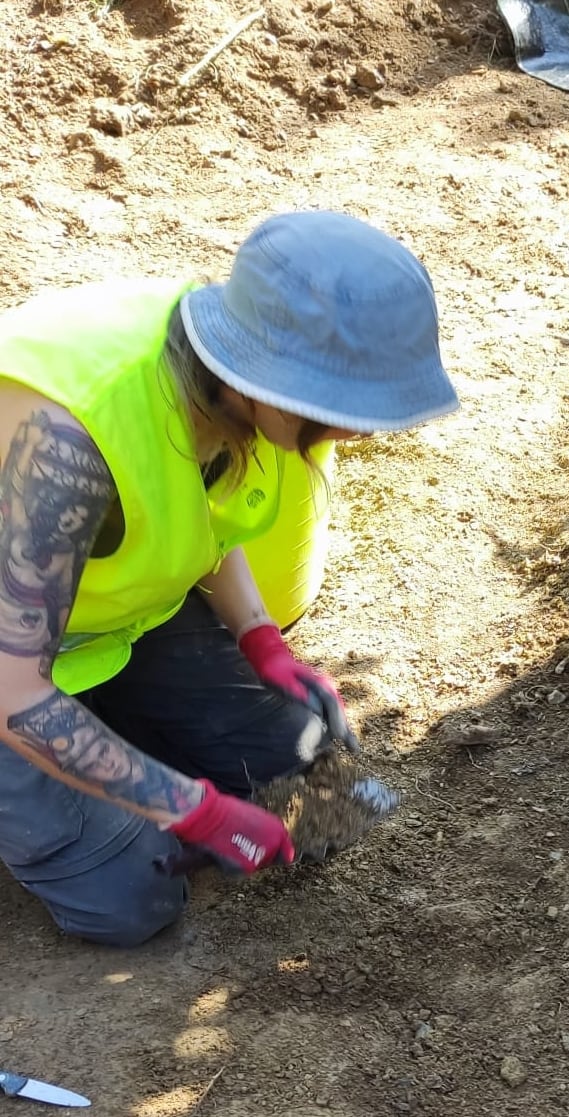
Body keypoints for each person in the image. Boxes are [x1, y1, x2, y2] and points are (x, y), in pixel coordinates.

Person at [0, 211, 459, 946]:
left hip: (103, 622)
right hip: (15, 663)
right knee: (134, 895)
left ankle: (103, 743)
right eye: (347, 412)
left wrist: (261, 638)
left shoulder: (236, 374)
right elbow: (14, 691)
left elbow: (204, 515)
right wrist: (198, 810)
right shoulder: (69, 444)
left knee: (307, 763)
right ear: (263, 383)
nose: (362, 433)